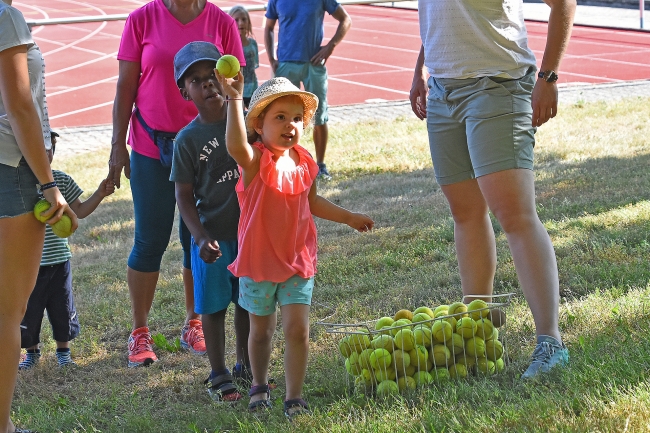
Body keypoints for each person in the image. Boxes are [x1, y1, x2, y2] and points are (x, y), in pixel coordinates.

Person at [409, 0, 576, 379]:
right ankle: (477, 333)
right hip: (442, 91)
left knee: (515, 215)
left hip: (499, 86)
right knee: (465, 215)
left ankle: (550, 342)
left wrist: (548, 78)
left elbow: (564, 4)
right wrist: (421, 68)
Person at [219, 74, 374, 419]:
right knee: (261, 332)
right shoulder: (255, 160)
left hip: (298, 260)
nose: (291, 125)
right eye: (280, 117)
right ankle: (259, 384)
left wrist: (348, 217)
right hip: (260, 263)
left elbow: (313, 201)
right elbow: (234, 146)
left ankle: (294, 396)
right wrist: (233, 99)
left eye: (297, 118)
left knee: (298, 331)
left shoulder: (304, 161)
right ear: (258, 125)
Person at [108, 0, 245, 368]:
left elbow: (236, 89)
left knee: (197, 239)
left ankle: (194, 322)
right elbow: (125, 87)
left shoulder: (221, 22)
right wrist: (117, 146)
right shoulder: (141, 20)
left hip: (208, 148)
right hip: (151, 146)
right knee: (149, 239)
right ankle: (140, 331)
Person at [0, 0, 78, 431]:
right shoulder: (5, 17)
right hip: (11, 172)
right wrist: (49, 184)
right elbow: (20, 105)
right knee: (7, 314)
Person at [170, 41, 251, 402]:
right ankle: (218, 372)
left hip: (250, 234)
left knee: (249, 303)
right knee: (215, 308)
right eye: (196, 80)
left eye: (213, 76)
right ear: (184, 91)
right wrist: (199, 238)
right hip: (212, 239)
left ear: (227, 77)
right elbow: (183, 196)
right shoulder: (187, 140)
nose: (208, 84)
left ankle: (246, 363)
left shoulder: (248, 120)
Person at [19, 131, 115, 370]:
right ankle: (32, 352)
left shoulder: (60, 181)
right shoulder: (20, 186)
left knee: (62, 307)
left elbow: (79, 211)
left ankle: (63, 351)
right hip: (29, 263)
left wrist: (100, 194)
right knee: (29, 310)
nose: (45, 154)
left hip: (59, 261)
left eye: (48, 149)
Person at [264, 0, 351, 181]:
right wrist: (271, 58)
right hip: (286, 64)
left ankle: (320, 165)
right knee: (282, 117)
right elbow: (269, 27)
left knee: (319, 116)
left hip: (314, 64)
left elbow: (345, 19)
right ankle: (284, 163)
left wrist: (330, 47)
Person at [228, 5, 259, 110]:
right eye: (236, 20)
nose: (240, 23)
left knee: (254, 118)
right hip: (237, 89)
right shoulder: (229, 45)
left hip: (252, 88)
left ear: (248, 23)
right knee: (239, 118)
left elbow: (254, 66)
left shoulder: (253, 44)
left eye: (244, 19)